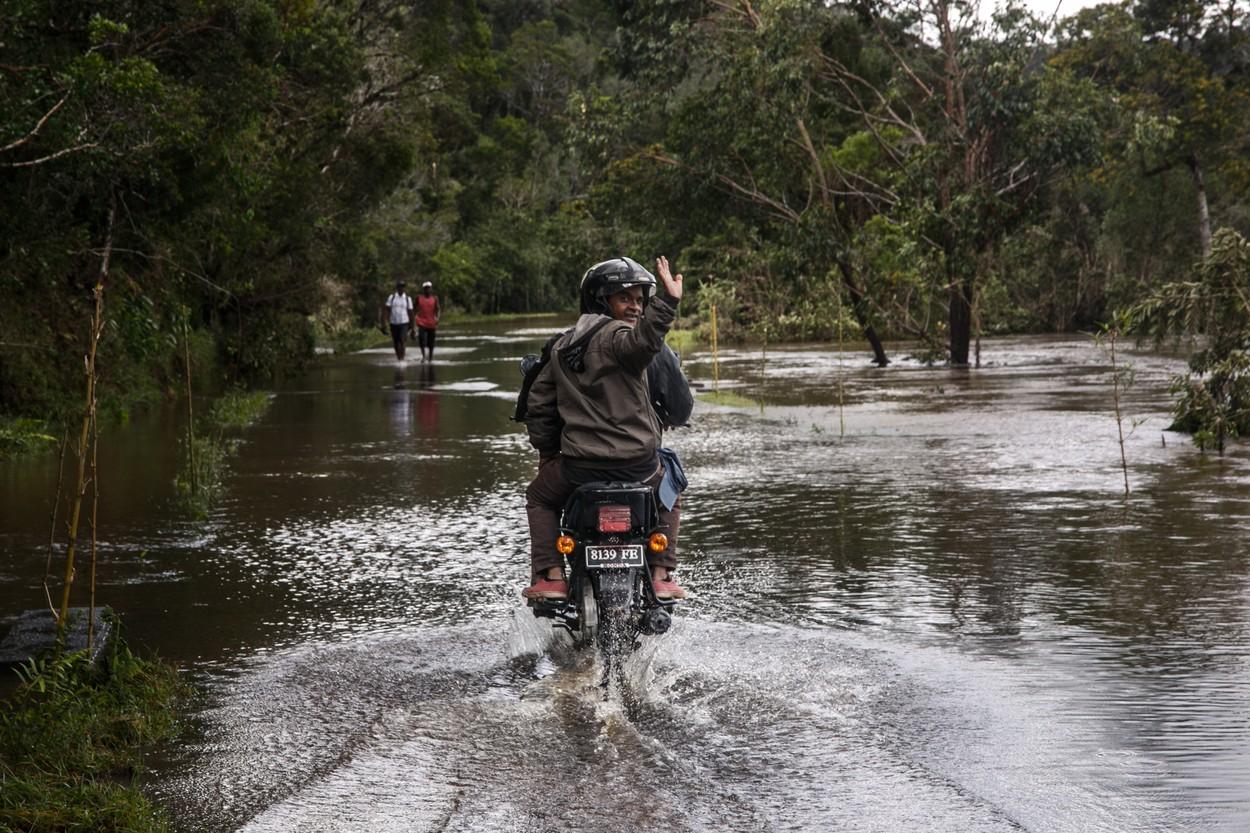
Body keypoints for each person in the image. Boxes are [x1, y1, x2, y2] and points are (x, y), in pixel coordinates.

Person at [520, 255, 688, 602]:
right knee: (671, 488)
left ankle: (551, 576)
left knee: (539, 497)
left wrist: (548, 453)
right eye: (625, 298)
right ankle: (661, 573)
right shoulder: (621, 340)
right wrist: (667, 303)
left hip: (579, 468)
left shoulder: (561, 345)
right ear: (601, 300)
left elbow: (539, 407)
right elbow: (643, 343)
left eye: (640, 300)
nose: (635, 306)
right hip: (639, 466)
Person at [380, 281, 413, 361]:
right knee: (396, 342)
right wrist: (384, 323)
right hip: (393, 322)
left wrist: (412, 326)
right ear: (397, 288)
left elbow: (410, 312)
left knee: (402, 340)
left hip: (404, 322)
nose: (401, 288)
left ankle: (402, 358)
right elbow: (386, 310)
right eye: (399, 287)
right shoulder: (392, 297)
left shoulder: (407, 298)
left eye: (402, 287)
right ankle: (398, 357)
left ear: (404, 288)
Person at [413, 280, 441, 362]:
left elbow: (438, 309)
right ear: (423, 289)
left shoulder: (435, 298)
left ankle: (430, 357)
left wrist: (437, 317)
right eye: (425, 288)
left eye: (428, 288)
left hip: (431, 323)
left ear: (431, 289)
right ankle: (423, 355)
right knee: (421, 339)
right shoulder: (419, 298)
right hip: (421, 322)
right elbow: (414, 308)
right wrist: (414, 317)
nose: (427, 290)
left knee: (431, 341)